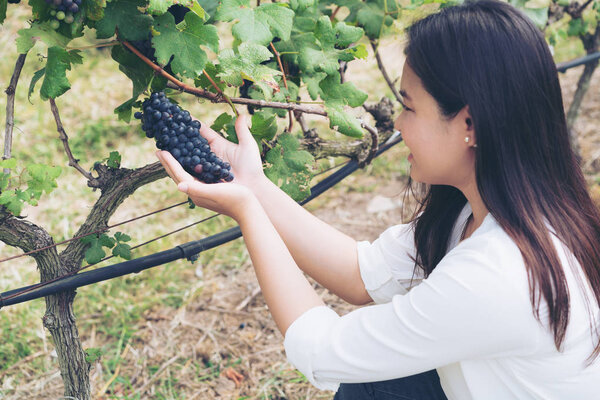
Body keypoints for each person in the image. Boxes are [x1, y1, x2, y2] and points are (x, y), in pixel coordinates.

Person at [156, 0, 600, 398]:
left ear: (470, 124)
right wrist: (253, 184)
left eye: (409, 107)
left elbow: (322, 353)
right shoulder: (489, 210)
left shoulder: (499, 273)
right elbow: (359, 272)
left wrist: (247, 212)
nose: (398, 126)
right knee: (375, 380)